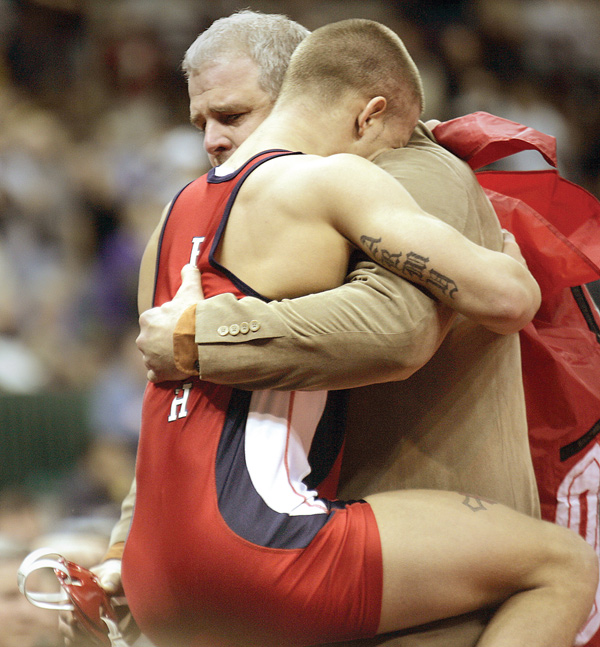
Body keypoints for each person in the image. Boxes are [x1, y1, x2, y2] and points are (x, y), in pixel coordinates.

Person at [61, 10, 545, 647]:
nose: (210, 139)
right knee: (563, 566)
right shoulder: (310, 181)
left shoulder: (401, 167)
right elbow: (174, 410)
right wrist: (125, 546)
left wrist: (199, 336)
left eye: (231, 116)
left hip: (327, 541)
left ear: (303, 87)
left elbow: (393, 329)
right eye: (200, 122)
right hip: (280, 542)